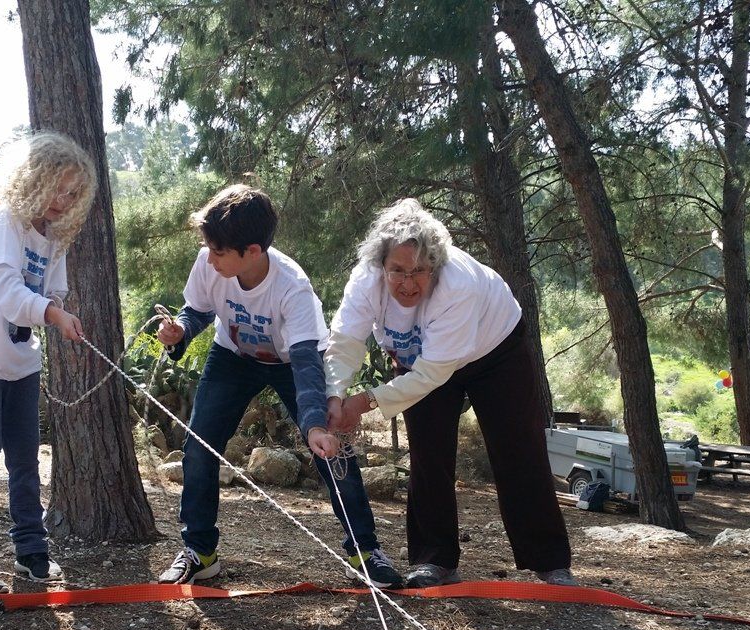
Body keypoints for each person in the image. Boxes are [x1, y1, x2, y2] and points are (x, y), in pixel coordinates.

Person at [155, 184, 404, 588]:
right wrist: (181, 329)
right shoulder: (209, 261)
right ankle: (200, 552)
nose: (210, 257)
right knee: (199, 446)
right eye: (209, 249)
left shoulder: (294, 290)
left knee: (331, 450)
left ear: (252, 251)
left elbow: (307, 366)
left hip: (292, 364)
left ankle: (366, 551)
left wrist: (315, 428)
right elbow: (198, 310)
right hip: (232, 358)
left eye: (220, 252)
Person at [324, 198, 575, 588]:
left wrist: (366, 402)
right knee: (428, 452)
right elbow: (345, 342)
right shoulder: (365, 281)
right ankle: (435, 559)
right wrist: (334, 396)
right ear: (381, 266)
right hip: (419, 357)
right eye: (397, 272)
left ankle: (549, 561)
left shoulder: (459, 286)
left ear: (436, 265)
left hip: (495, 352)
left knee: (518, 449)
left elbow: (432, 375)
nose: (408, 284)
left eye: (419, 271)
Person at [0, 132, 95, 594]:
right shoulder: (0, 223)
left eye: (73, 194)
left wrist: (55, 308)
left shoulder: (53, 236)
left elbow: (54, 290)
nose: (63, 201)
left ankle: (31, 552)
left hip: (21, 363)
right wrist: (51, 313)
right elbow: (9, 295)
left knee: (26, 460)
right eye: (58, 189)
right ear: (34, 178)